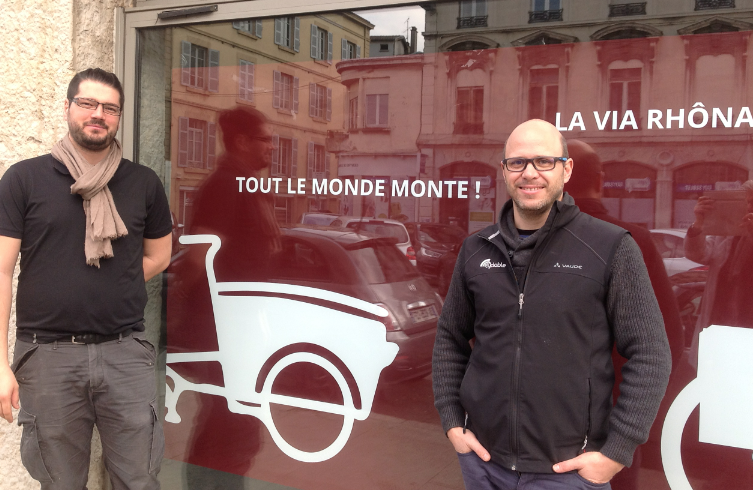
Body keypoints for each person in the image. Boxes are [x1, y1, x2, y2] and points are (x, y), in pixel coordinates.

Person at [432, 119, 671, 489]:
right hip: (483, 464)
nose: (530, 173)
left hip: (568, 474)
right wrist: (451, 420)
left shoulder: (610, 246)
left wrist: (617, 451)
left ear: (567, 168)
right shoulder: (476, 249)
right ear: (504, 171)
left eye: (544, 161)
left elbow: (651, 352)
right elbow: (450, 338)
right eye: (518, 162)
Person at [0, 68, 172, 489]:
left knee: (139, 478)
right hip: (47, 358)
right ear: (68, 108)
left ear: (118, 117)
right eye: (88, 104)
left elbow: (160, 254)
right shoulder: (24, 179)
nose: (98, 114)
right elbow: (2, 270)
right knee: (59, 482)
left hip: (125, 354)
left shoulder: (143, 183)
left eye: (110, 108)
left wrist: (119, 283)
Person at [167, 106, 279, 487]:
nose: (271, 147)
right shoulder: (225, 184)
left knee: (235, 423)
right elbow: (198, 256)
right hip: (224, 329)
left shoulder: (245, 184)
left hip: (240, 327)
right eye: (265, 139)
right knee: (229, 423)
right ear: (242, 141)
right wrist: (181, 297)